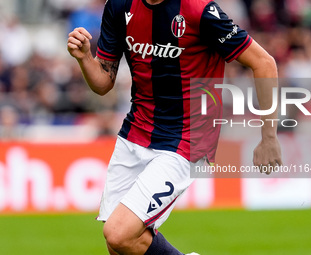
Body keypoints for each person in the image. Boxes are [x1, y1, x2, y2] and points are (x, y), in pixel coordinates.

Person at [67, 0, 282, 254]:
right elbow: (103, 82)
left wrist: (269, 137)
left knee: (118, 233)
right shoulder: (118, 5)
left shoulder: (199, 10)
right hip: (135, 131)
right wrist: (85, 58)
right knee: (122, 246)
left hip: (186, 138)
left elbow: (264, 63)